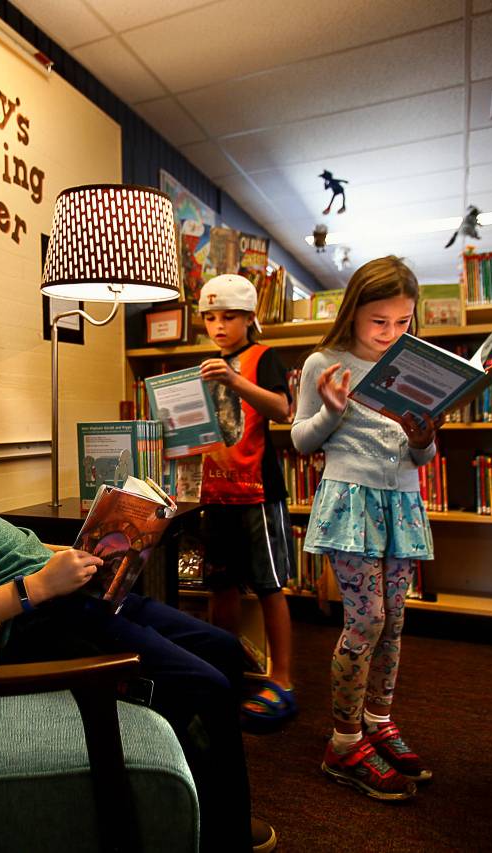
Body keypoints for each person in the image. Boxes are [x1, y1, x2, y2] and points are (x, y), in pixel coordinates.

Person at [0, 367, 276, 853]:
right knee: (204, 685)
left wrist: (77, 551)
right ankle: (219, 832)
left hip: (70, 590)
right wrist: (37, 586)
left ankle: (206, 795)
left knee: (223, 648)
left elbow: (1, 546)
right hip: (43, 619)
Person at [291, 256, 442, 801]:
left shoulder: (414, 362)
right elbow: (301, 442)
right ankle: (344, 741)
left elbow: (422, 455)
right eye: (379, 322)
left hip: (402, 501)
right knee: (367, 618)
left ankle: (378, 721)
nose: (391, 334)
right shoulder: (323, 362)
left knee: (395, 620)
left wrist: (423, 436)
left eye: (403, 323)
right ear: (353, 312)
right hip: (350, 501)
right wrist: (332, 410)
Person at [196, 274, 297, 730]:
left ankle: (282, 679)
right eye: (210, 317)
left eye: (229, 316)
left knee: (270, 584)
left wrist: (235, 379)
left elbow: (282, 409)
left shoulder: (263, 357)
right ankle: (223, 666)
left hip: (257, 490)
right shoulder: (207, 365)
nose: (219, 325)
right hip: (215, 490)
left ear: (250, 318)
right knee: (221, 584)